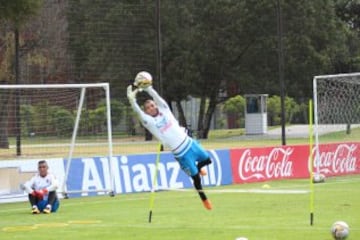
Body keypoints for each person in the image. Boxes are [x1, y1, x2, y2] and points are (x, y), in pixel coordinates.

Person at [127, 83, 213, 210]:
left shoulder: (165, 111)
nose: (151, 108)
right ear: (147, 112)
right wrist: (132, 101)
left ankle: (199, 167)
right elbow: (139, 113)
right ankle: (204, 199)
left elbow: (157, 98)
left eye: (152, 105)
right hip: (181, 153)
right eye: (148, 108)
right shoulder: (150, 122)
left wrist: (148, 88)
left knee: (208, 160)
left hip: (189, 143)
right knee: (196, 178)